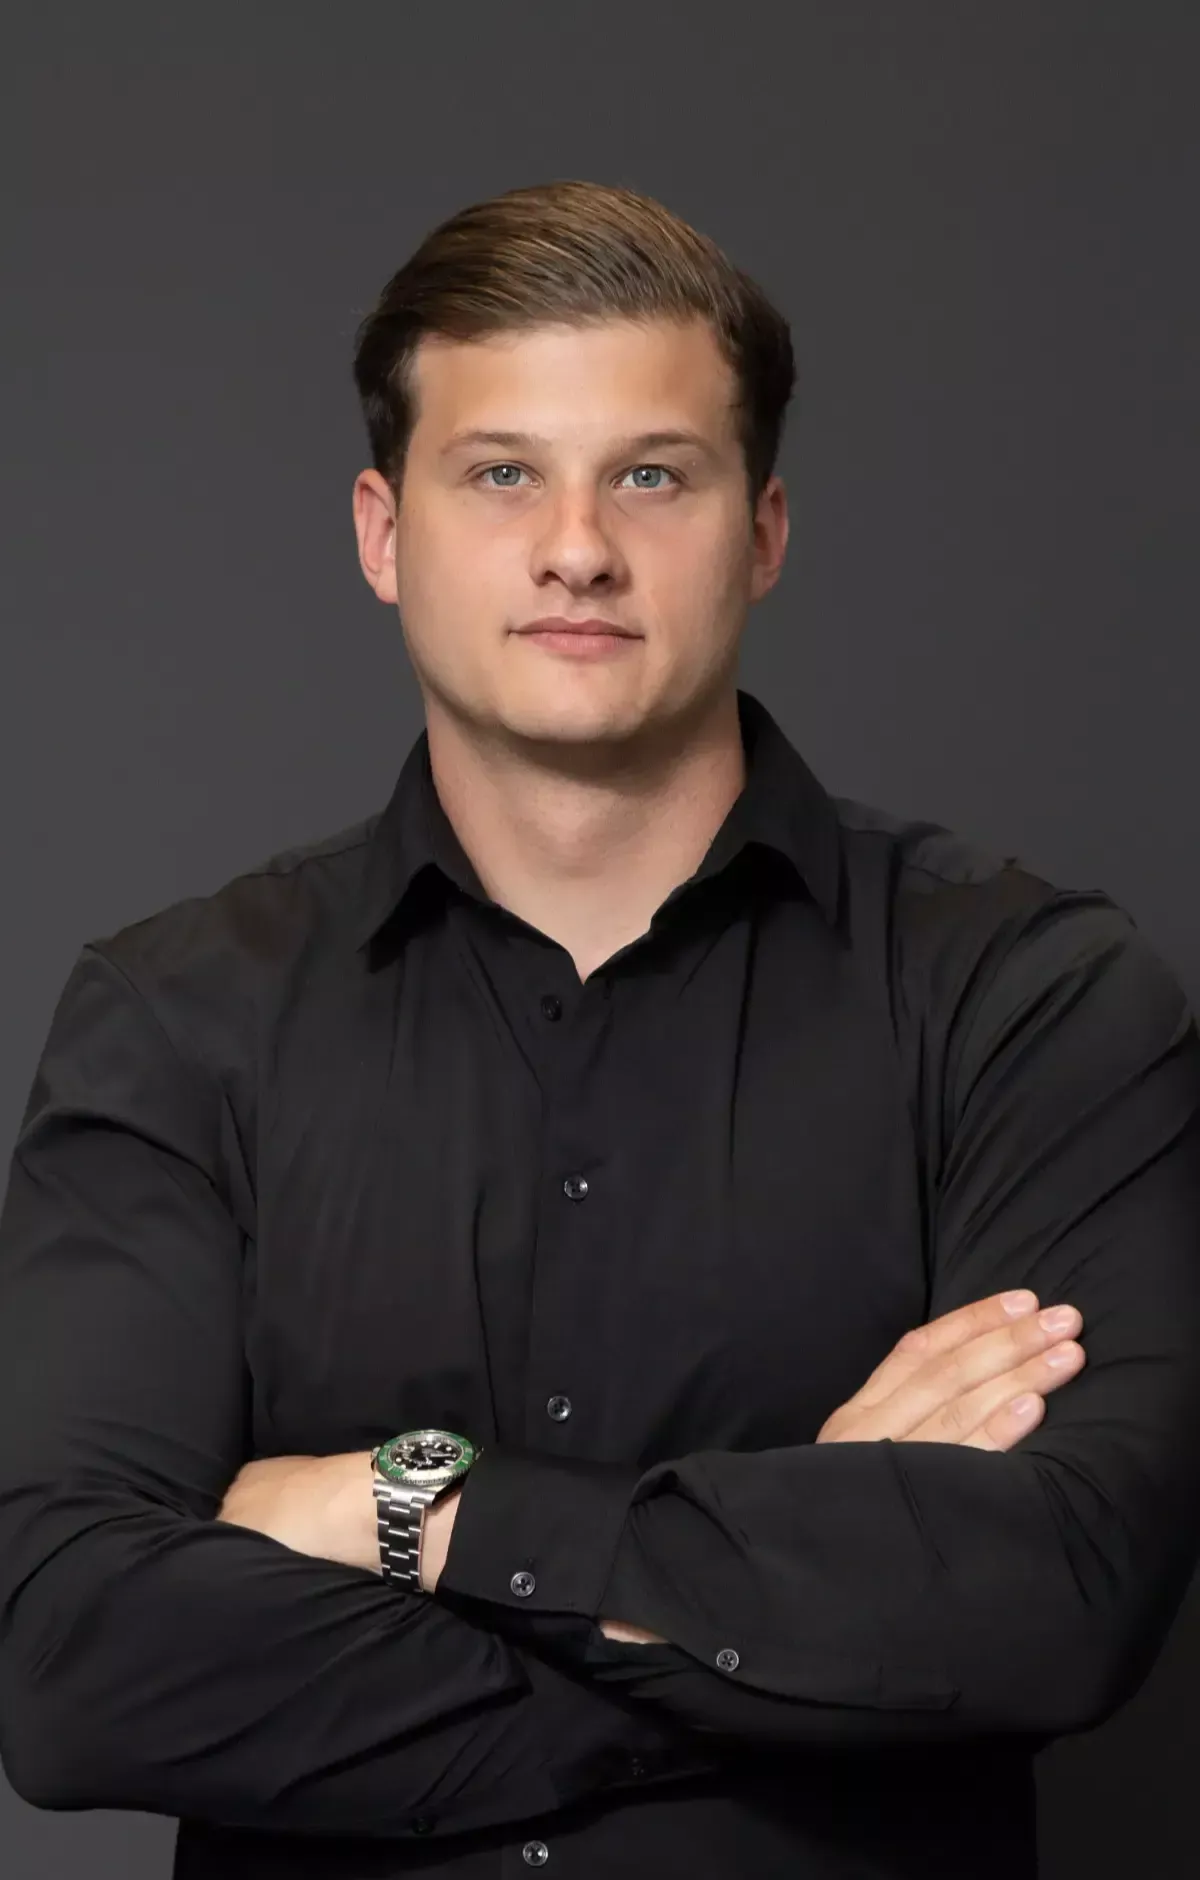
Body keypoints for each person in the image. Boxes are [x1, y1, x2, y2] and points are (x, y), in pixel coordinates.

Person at [1, 179, 1198, 1880]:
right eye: (502, 473)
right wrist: (776, 1602)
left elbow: (1056, 1599)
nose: (578, 545)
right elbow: (72, 1670)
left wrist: (406, 1508)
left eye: (652, 474)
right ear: (382, 534)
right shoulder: (176, 1021)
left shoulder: (1032, 998)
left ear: (762, 531)